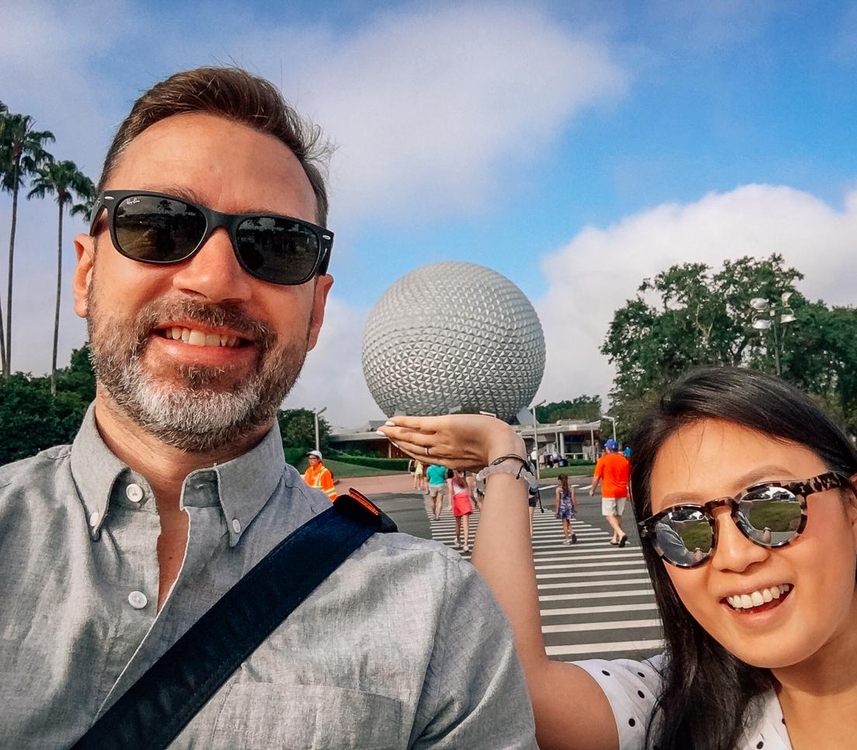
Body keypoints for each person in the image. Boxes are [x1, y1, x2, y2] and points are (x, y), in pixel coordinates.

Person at [0, 66, 534, 748]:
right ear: (85, 271)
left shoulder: (439, 617)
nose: (215, 278)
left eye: (276, 246)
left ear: (315, 312)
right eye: (160, 225)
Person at [382, 367, 857, 750]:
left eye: (772, 504)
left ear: (856, 510)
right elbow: (510, 685)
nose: (733, 555)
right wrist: (505, 456)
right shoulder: (667, 708)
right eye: (683, 525)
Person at [589, 438, 631, 547]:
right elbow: (629, 478)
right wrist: (629, 492)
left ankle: (621, 534)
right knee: (618, 514)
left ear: (607, 449)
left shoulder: (603, 460)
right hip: (622, 491)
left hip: (609, 491)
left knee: (608, 515)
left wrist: (592, 489)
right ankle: (615, 538)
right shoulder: (624, 460)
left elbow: (596, 477)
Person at [450, 470, 474, 553]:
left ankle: (458, 538)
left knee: (458, 524)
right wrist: (475, 501)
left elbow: (451, 492)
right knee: (466, 524)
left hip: (457, 501)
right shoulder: (467, 479)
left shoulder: (453, 479)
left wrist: (450, 504)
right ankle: (466, 544)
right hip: (465, 501)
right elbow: (470, 493)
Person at [555, 474, 577, 544]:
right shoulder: (571, 488)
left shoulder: (558, 489)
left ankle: (567, 539)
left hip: (562, 507)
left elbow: (558, 500)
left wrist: (557, 510)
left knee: (564, 523)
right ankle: (572, 532)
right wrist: (575, 507)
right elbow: (573, 498)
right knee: (568, 520)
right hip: (569, 506)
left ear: (560, 480)